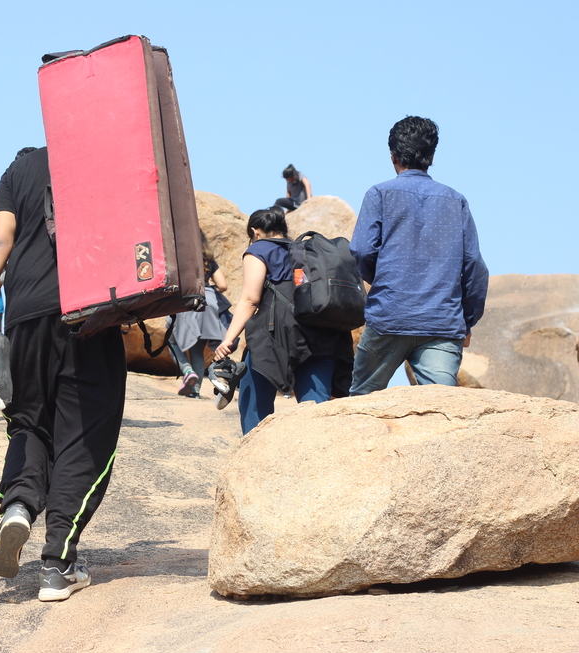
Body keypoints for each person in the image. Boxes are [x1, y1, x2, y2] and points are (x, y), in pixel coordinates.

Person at [0, 146, 127, 602]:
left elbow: (0, 240)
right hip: (91, 312)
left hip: (27, 316)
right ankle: (58, 565)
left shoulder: (20, 168)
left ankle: (17, 506)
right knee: (85, 432)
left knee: (29, 422)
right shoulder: (102, 155)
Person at [349, 116, 488, 394]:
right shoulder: (456, 200)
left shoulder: (379, 194)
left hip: (389, 317)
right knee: (440, 409)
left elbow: (362, 250)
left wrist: (387, 281)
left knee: (361, 404)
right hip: (441, 323)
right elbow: (474, 265)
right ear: (432, 155)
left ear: (392, 156)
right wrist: (467, 320)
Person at [214, 208, 353, 434]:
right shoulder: (308, 251)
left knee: (254, 407)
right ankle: (318, 461)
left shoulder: (259, 249)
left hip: (275, 339)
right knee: (315, 410)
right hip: (322, 335)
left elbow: (250, 299)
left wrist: (228, 340)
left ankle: (255, 461)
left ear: (254, 232)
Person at [167, 232, 228, 399]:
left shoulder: (180, 257)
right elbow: (223, 285)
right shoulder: (208, 260)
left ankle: (187, 371)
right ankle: (194, 392)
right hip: (207, 303)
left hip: (187, 300)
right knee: (197, 351)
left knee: (171, 340)